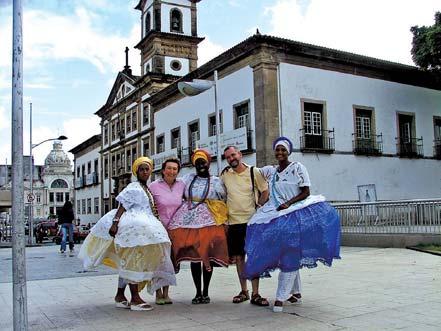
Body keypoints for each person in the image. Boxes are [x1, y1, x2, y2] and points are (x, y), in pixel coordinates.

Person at [244, 137, 341, 313]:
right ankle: (296, 293)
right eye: (277, 150)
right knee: (287, 252)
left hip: (295, 215)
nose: (280, 153)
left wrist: (289, 203)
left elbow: (306, 191)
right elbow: (249, 170)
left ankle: (281, 297)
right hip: (276, 215)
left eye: (283, 150)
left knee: (290, 252)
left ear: (288, 152)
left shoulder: (298, 167)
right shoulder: (271, 172)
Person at [78, 157, 176, 311]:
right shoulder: (134, 187)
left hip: (141, 227)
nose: (145, 171)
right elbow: (122, 205)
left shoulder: (145, 187)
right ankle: (135, 299)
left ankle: (120, 295)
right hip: (133, 228)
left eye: (147, 169)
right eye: (141, 169)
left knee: (128, 260)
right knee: (133, 260)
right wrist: (115, 222)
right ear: (136, 172)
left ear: (151, 170)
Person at [168, 149, 229, 304]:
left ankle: (206, 291)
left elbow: (224, 198)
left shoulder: (216, 181)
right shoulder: (188, 178)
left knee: (206, 255)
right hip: (189, 221)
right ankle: (197, 292)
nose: (201, 165)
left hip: (208, 222)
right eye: (197, 163)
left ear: (208, 163)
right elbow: (175, 189)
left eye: (203, 162)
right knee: (195, 257)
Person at [221, 146, 270, 307]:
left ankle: (256, 293)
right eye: (228, 157)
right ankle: (244, 291)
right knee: (239, 258)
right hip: (234, 223)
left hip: (252, 222)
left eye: (233, 155)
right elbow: (221, 195)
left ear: (240, 155)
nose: (231, 158)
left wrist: (259, 206)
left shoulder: (254, 171)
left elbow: (265, 191)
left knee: (254, 257)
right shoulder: (224, 174)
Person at [149, 158, 186, 305]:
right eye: (169, 168)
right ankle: (158, 293)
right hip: (158, 229)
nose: (171, 171)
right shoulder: (154, 186)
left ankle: (166, 293)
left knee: (170, 262)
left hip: (175, 230)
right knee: (158, 261)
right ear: (163, 170)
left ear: (178, 171)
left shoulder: (181, 185)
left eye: (175, 169)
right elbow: (148, 206)